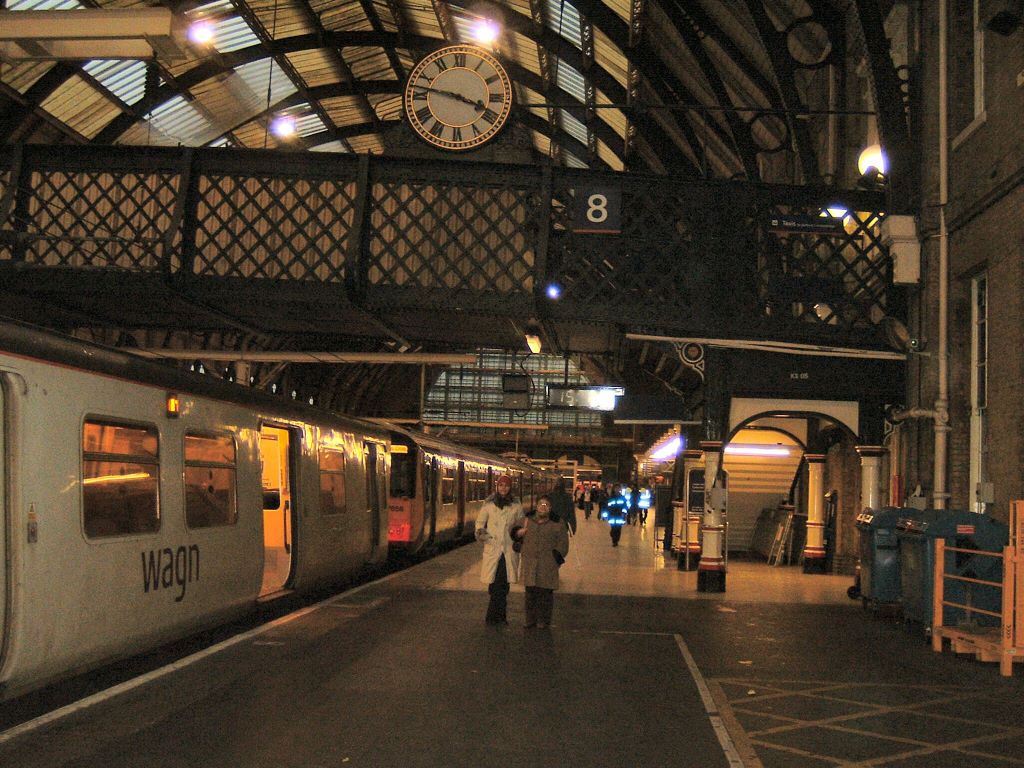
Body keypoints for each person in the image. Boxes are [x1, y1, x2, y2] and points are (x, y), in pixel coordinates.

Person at [475, 474, 525, 626]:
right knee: (495, 584)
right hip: (493, 548)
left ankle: (497, 617)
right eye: (501, 485)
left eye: (506, 485)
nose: (504, 488)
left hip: (508, 550)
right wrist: (484, 536)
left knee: (503, 584)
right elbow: (480, 524)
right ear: (497, 487)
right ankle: (497, 617)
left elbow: (520, 524)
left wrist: (518, 535)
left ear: (510, 488)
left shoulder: (516, 506)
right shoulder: (488, 505)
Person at [514, 495, 570, 629]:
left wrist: (556, 557)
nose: (543, 507)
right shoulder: (527, 519)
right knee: (530, 593)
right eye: (540, 504)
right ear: (536, 506)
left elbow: (563, 543)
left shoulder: (558, 522)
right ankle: (530, 620)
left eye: (546, 505)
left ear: (550, 508)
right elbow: (514, 531)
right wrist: (517, 533)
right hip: (530, 563)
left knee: (545, 594)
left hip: (547, 564)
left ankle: (543, 620)